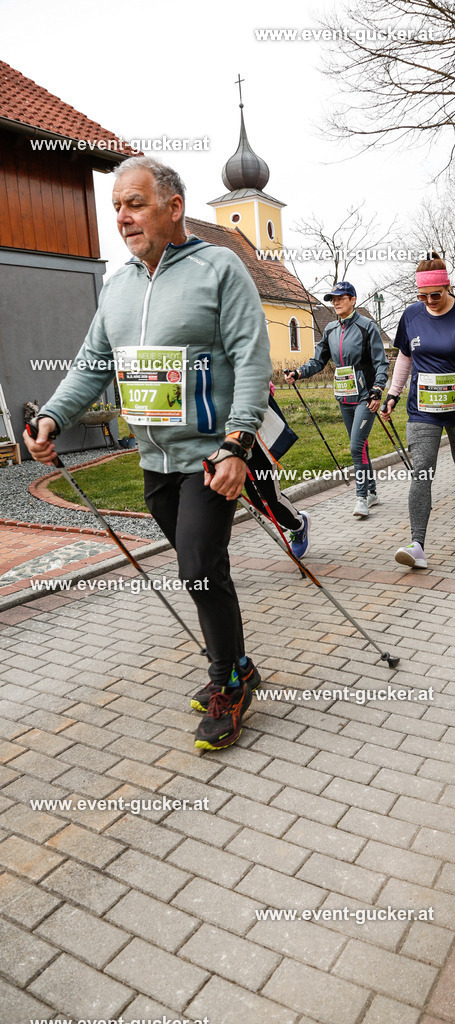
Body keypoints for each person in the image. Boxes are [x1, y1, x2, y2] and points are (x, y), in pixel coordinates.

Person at [23, 156, 272, 752]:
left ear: (173, 207)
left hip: (211, 457)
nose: (123, 217)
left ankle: (227, 684)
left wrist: (239, 442)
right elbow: (91, 365)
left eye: (134, 204)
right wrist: (53, 416)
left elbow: (251, 359)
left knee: (198, 566)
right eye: (116, 207)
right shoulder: (117, 287)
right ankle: (239, 663)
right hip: (153, 460)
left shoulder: (220, 268)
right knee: (204, 568)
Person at [380, 254, 455, 569]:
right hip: (423, 408)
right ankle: (417, 544)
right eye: (422, 296)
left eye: (435, 295)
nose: (429, 301)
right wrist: (393, 394)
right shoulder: (411, 315)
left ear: (447, 287)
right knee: (422, 470)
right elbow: (405, 357)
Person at [284, 282, 388, 519]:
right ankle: (372, 491)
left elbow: (381, 362)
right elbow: (318, 361)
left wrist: (378, 389)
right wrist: (298, 373)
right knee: (360, 445)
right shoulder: (331, 329)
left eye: (341, 297)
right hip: (344, 396)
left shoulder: (367, 326)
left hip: (365, 396)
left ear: (353, 299)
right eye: (333, 299)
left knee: (355, 446)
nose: (336, 302)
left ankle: (361, 497)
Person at [244, 382, 311, 558]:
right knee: (257, 502)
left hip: (255, 438)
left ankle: (298, 524)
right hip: (226, 440)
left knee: (269, 499)